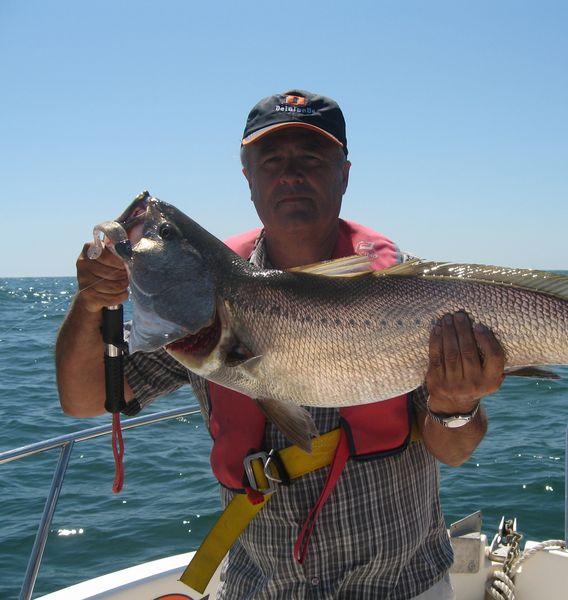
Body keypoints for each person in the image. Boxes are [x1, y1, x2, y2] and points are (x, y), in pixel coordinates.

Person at [55, 90, 506, 599]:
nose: (291, 173)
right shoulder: (201, 296)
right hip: (261, 588)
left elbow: (456, 450)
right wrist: (91, 303)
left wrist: (457, 405)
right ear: (249, 178)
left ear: (345, 173)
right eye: (272, 159)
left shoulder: (405, 293)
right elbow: (84, 399)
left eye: (311, 157)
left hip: (402, 585)